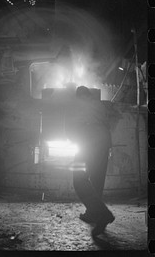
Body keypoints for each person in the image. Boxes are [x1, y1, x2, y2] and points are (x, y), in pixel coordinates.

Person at [66, 86, 115, 236]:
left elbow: (70, 126)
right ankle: (92, 214)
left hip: (89, 139)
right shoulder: (99, 104)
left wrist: (73, 139)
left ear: (79, 96)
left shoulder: (78, 104)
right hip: (104, 140)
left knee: (79, 180)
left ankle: (103, 214)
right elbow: (107, 123)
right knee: (96, 179)